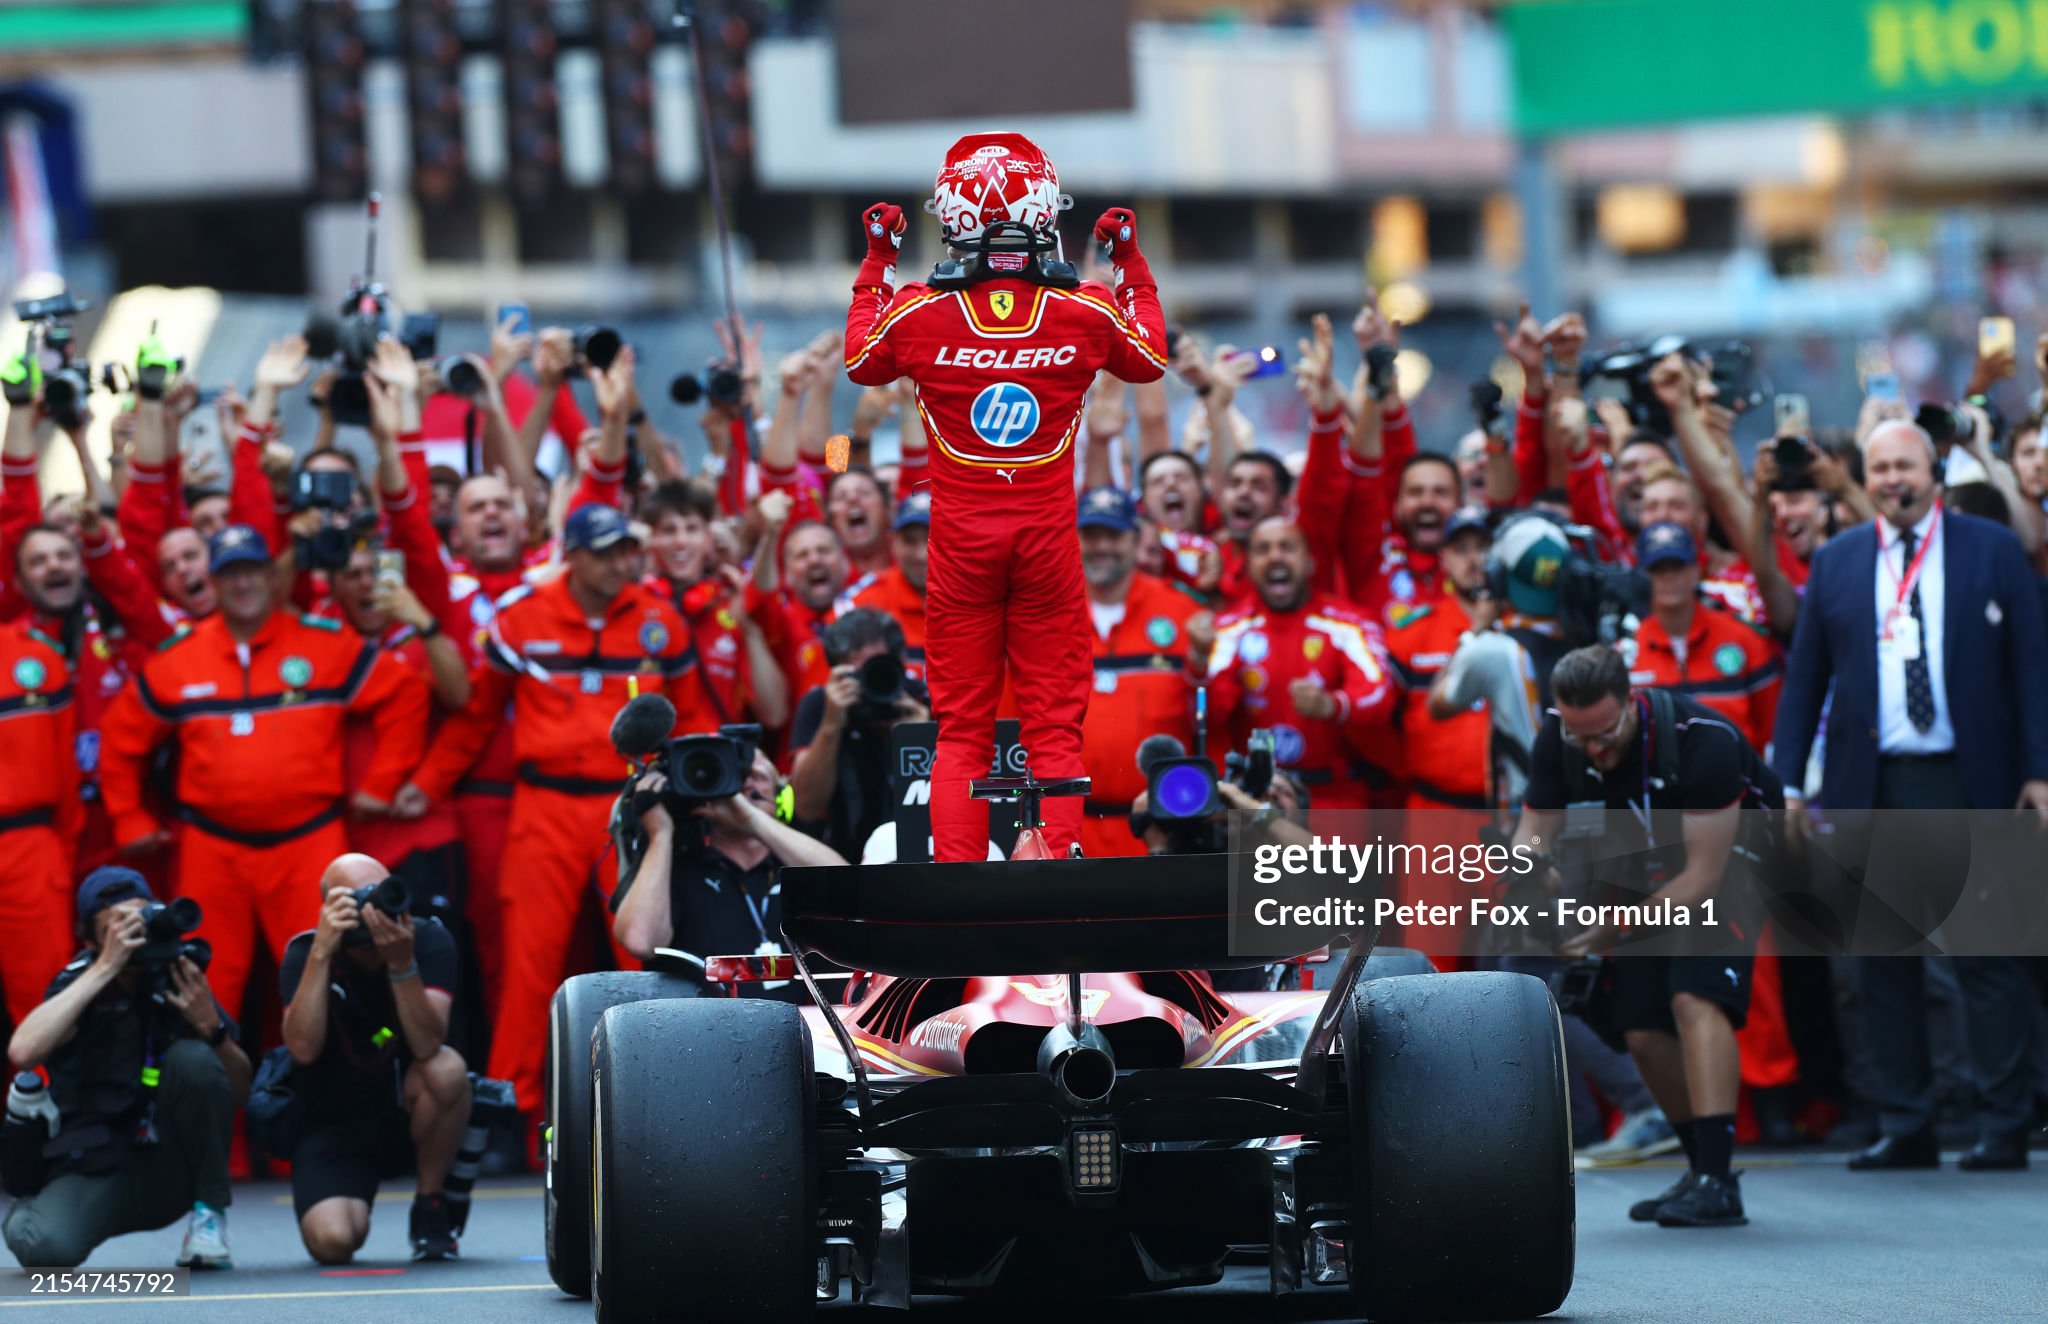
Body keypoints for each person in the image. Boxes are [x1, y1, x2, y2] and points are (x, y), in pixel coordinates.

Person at [844, 131, 1167, 861]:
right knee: (1053, 729)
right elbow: (1149, 357)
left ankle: (962, 898)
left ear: (953, 215)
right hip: (1048, 548)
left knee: (960, 729)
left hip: (960, 551)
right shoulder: (1085, 310)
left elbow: (860, 359)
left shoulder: (918, 313)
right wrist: (1130, 265)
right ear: (1046, 209)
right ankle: (1050, 880)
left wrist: (877, 260)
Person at [1771, 419, 2048, 1172]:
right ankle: (1907, 1121)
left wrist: (2040, 770)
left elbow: (2033, 668)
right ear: (1865, 477)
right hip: (1872, 782)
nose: (1893, 479)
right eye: (1880, 467)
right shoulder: (1836, 561)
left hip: (1970, 775)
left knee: (1985, 957)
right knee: (1881, 960)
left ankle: (2002, 1123)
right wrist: (1790, 782)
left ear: (1933, 470)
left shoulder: (1992, 550)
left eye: (1906, 466)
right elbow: (1806, 683)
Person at [395, 502, 712, 1126]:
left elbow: (693, 719)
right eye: (604, 551)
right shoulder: (521, 621)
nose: (619, 562)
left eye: (625, 549)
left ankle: (658, 1100)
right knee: (528, 965)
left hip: (630, 804)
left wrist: (701, 797)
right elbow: (477, 718)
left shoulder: (659, 620)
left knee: (644, 957)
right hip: (542, 807)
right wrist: (427, 784)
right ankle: (515, 1111)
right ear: (572, 554)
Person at [98, 525, 430, 1023]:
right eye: (231, 573)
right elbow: (120, 741)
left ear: (273, 578)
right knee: (203, 984)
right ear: (214, 580)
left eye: (253, 571)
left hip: (308, 843)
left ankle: (320, 1099)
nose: (244, 584)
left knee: (322, 981)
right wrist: (130, 819)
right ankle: (218, 1098)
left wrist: (382, 783)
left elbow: (405, 695)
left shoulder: (323, 645)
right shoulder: (178, 659)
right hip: (214, 848)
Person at [1515, 645, 1784, 1228]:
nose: (1592, 750)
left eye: (1605, 734)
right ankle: (1699, 1170)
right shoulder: (1558, 737)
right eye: (1579, 738)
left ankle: (1718, 1179)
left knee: (1693, 994)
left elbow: (1702, 879)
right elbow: (1531, 837)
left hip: (1731, 860)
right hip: (1643, 863)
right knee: (1640, 1028)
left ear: (1633, 700)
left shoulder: (1701, 739)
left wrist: (1608, 927)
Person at [3, 868, 251, 1269]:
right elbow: (23, 1050)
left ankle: (210, 1217)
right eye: (117, 927)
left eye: (140, 920)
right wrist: (105, 966)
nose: (133, 935)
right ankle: (36, 1207)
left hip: (167, 1166)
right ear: (90, 940)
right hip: (96, 1165)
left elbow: (239, 1092)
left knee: (196, 1059)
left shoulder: (176, 976)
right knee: (46, 1248)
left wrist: (215, 1031)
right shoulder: (80, 981)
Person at [279, 855, 470, 1264]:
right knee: (333, 1242)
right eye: (358, 899)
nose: (375, 907)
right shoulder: (304, 953)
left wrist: (402, 964)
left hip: (407, 1110)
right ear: (330, 907)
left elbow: (426, 1045)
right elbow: (302, 1049)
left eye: (382, 892)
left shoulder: (426, 940)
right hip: (335, 1121)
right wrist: (321, 955)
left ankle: (430, 1202)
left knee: (447, 1068)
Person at [1206, 517, 1396, 818]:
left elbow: (1380, 696)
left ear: (1309, 562)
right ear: (1249, 564)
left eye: (1287, 547)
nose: (1275, 556)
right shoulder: (1228, 628)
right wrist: (1196, 658)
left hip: (1334, 802)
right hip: (1254, 800)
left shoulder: (1349, 623)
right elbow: (1212, 710)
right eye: (1263, 549)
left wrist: (1333, 705)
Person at [612, 753, 848, 965]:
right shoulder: (672, 869)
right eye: (733, 775)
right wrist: (660, 834)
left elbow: (847, 891)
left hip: (801, 1014)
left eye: (756, 775)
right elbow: (640, 941)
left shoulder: (800, 864)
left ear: (780, 798)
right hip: (704, 1014)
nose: (741, 785)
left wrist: (750, 819)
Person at [1072, 487, 1200, 857]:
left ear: (1136, 539)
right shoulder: (1044, 612)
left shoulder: (1182, 612)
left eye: (1114, 536)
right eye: (1091, 536)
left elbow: (1216, 712)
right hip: (1067, 827)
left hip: (1162, 828)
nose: (1102, 547)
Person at [1625, 521, 1781, 753]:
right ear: (1643, 576)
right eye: (1658, 568)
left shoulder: (1743, 639)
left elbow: (1773, 730)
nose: (1669, 576)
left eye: (1677, 565)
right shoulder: (1628, 649)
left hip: (1738, 782)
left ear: (1696, 570)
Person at [787, 609, 930, 857]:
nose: (869, 685)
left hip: (919, 856)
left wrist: (921, 740)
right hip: (842, 862)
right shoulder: (821, 705)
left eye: (878, 670)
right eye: (857, 676)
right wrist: (831, 725)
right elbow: (805, 807)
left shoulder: (921, 701)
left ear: (901, 661)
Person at [0, 618, 81, 1026]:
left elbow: (67, 776)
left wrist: (58, 855)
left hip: (29, 847)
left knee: (44, 1004)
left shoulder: (38, 657)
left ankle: (42, 1092)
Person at [840, 491, 930, 678]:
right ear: (893, 542)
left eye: (932, 539)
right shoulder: (860, 603)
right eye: (910, 541)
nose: (921, 555)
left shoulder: (980, 599)